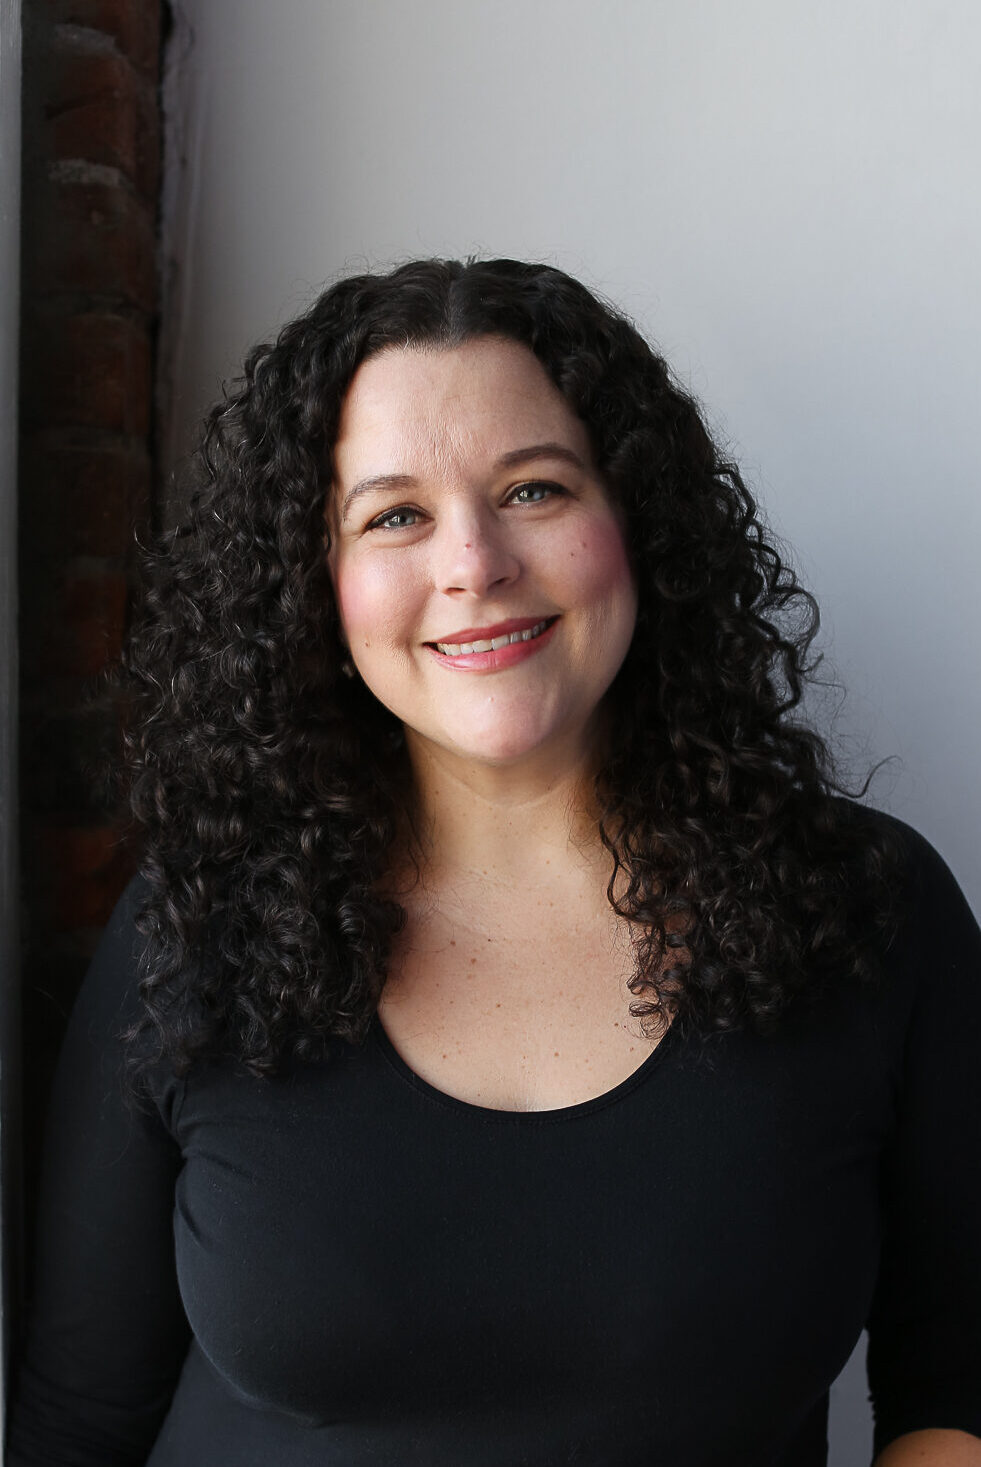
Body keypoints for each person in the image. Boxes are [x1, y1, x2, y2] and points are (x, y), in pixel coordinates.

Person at [8, 258, 981, 1466]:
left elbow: (959, 1376)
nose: (472, 562)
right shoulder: (193, 929)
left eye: (533, 489)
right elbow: (77, 1417)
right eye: (394, 514)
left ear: (639, 522)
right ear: (319, 584)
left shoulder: (870, 912)